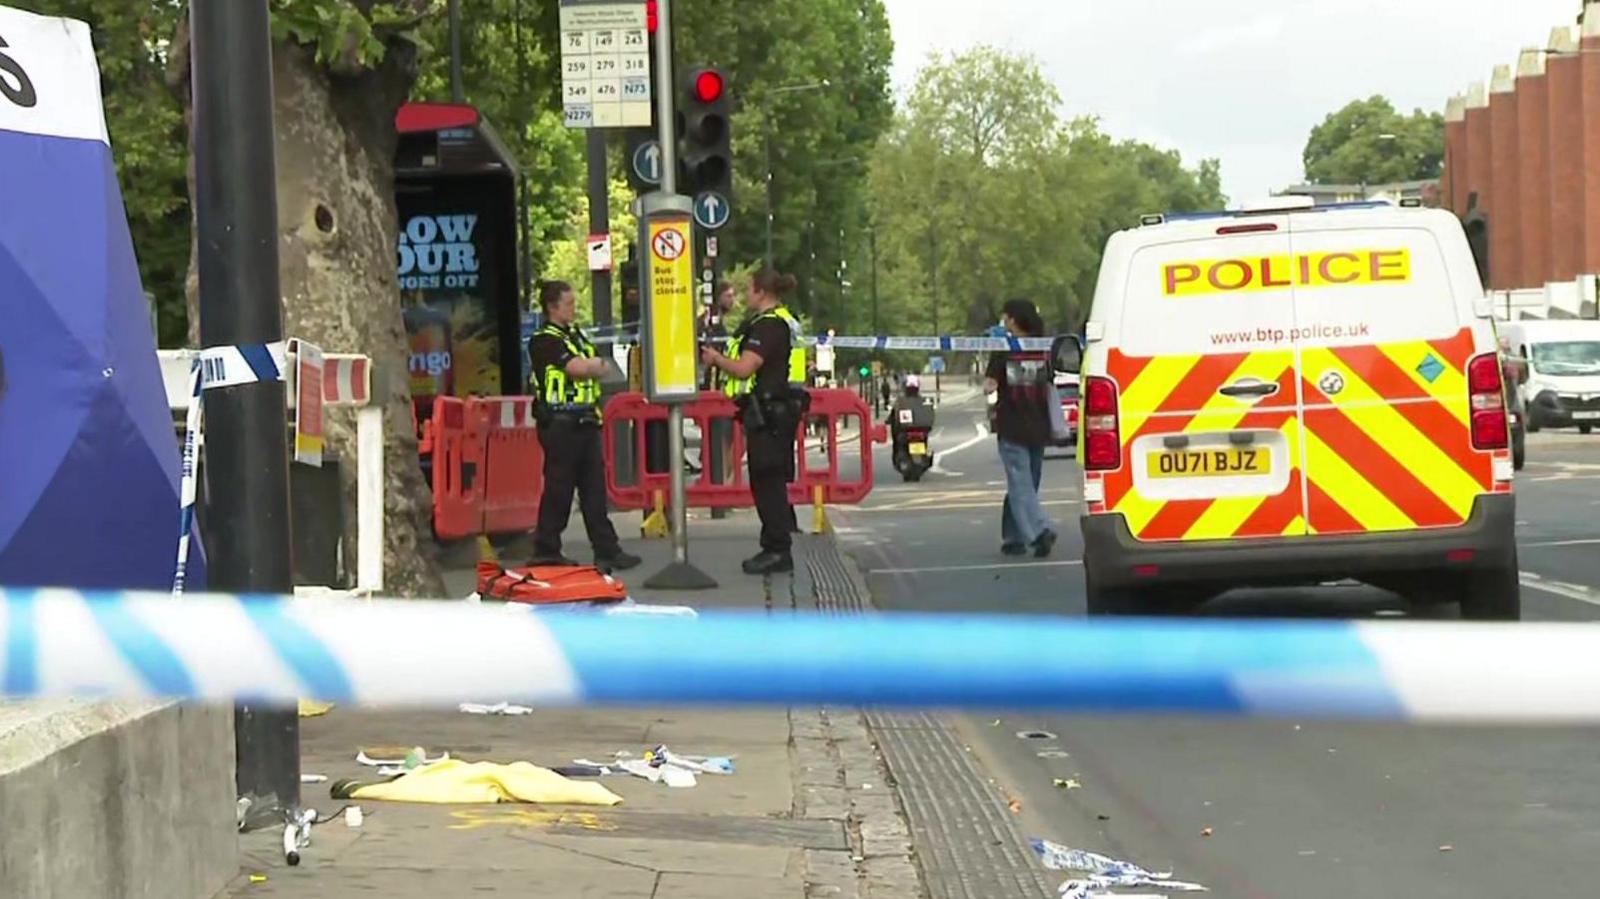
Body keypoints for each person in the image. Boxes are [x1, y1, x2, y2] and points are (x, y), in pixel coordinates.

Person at [700, 268, 808, 575]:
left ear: (761, 292)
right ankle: (775, 543)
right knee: (770, 479)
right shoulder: (785, 320)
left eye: (749, 289)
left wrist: (716, 360)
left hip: (770, 411)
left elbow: (746, 368)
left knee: (767, 482)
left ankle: (777, 549)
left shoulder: (769, 326)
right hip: (780, 409)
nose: (746, 295)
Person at [528, 280, 641, 571]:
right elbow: (577, 369)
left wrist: (593, 366)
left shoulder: (574, 335)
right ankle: (546, 549)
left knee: (594, 490)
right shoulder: (545, 339)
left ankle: (607, 549)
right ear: (552, 307)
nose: (573, 308)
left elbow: (596, 365)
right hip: (560, 423)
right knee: (559, 489)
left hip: (586, 420)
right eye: (568, 303)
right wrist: (593, 366)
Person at [987, 299, 1056, 558]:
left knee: (1021, 484)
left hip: (1012, 425)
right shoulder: (1043, 348)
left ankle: (1039, 532)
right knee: (1026, 483)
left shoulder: (1004, 349)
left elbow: (990, 385)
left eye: (1005, 318)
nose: (1004, 323)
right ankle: (1014, 537)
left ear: (1013, 320)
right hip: (1039, 424)